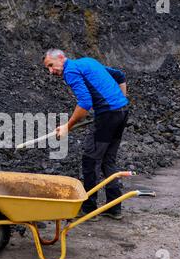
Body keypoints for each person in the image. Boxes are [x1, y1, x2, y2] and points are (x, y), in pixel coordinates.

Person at [43, 49, 129, 220]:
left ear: (61, 58)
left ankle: (89, 208)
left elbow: (85, 103)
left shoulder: (70, 71)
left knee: (90, 160)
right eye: (48, 69)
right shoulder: (88, 62)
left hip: (108, 115)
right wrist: (120, 101)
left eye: (51, 66)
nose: (51, 71)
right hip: (122, 112)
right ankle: (114, 207)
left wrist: (67, 126)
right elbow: (119, 76)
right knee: (107, 160)